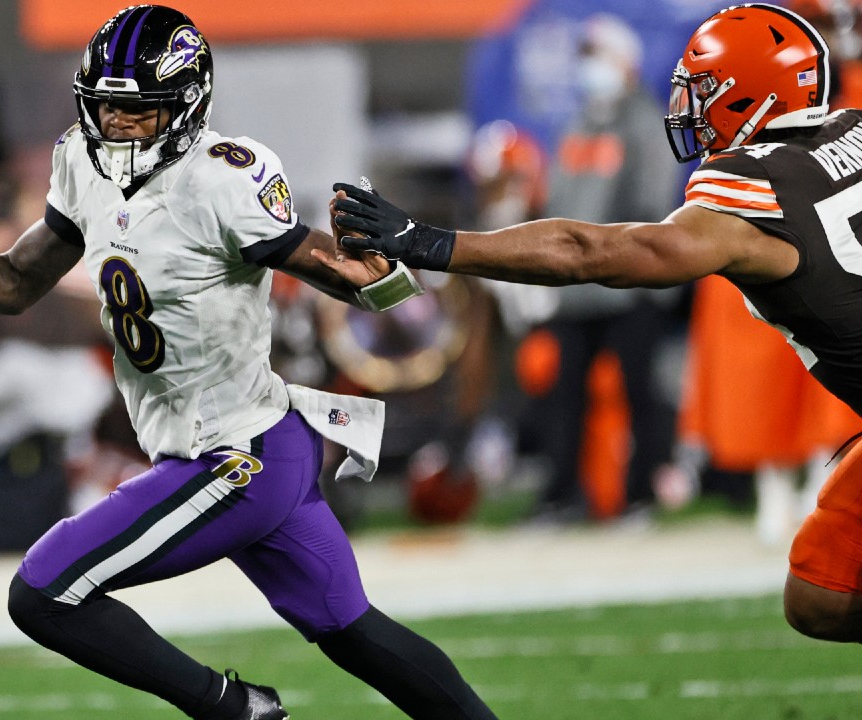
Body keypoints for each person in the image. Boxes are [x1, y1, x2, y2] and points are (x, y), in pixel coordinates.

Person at [0, 6, 496, 718]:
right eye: (103, 106)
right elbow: (16, 281)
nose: (116, 125)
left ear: (185, 106)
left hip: (236, 455)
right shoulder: (81, 159)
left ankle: (233, 708)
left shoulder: (224, 177)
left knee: (44, 590)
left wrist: (378, 268)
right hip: (238, 444)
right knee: (354, 633)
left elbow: (332, 269)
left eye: (136, 111)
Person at [330, 2, 862, 643]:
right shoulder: (852, 129)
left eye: (702, 91)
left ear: (747, 94)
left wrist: (431, 242)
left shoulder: (750, 189)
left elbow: (596, 251)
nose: (686, 109)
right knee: (820, 595)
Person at [519, 14, 684, 524]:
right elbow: (557, 202)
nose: (589, 67)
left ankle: (643, 495)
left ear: (624, 61)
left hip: (628, 285)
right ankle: (562, 496)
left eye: (598, 55)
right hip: (576, 288)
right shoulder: (576, 124)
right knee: (564, 397)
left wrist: (627, 266)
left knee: (641, 394)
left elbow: (654, 203)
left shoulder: (645, 123)